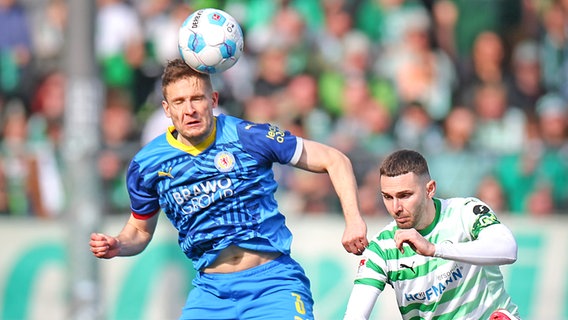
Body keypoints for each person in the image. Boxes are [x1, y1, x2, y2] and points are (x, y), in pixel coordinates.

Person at [89, 58, 368, 320]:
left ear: (213, 100)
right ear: (166, 109)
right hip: (211, 294)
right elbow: (138, 230)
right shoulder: (147, 165)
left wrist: (354, 220)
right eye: (179, 101)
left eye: (197, 98)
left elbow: (335, 159)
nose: (190, 110)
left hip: (273, 285)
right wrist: (118, 244)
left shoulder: (249, 136)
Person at [343, 149, 520, 320]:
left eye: (405, 195)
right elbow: (355, 315)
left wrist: (434, 249)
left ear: (430, 189)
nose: (396, 208)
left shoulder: (464, 212)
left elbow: (508, 249)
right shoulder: (382, 248)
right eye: (388, 197)